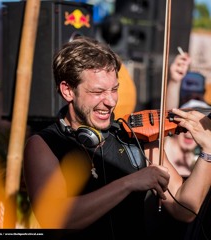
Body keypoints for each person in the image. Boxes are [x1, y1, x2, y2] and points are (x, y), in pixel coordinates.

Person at [23, 36, 211, 239]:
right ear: (67, 90)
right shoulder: (43, 144)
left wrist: (208, 151)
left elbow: (184, 209)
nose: (111, 101)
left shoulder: (134, 135)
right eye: (98, 91)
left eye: (114, 89)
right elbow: (56, 219)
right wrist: (129, 183)